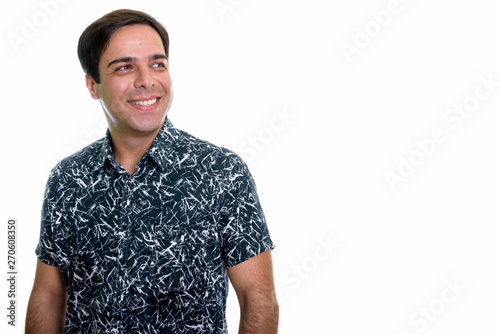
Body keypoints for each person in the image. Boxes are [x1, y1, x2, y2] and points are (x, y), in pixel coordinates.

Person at [25, 9, 278, 334]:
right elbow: (48, 295)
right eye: (125, 67)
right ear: (92, 85)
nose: (147, 80)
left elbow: (258, 298)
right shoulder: (67, 178)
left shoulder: (221, 171)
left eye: (157, 64)